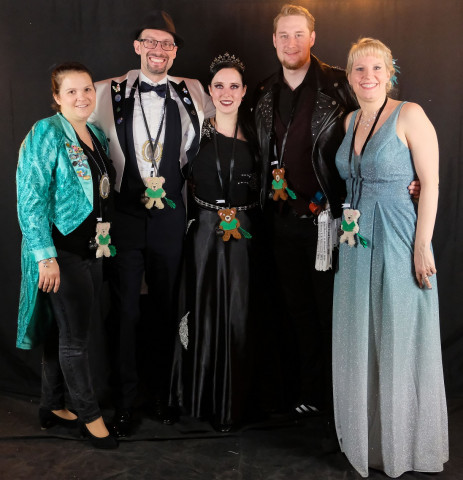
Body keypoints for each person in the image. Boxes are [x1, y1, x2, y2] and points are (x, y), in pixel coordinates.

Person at [90, 10, 214, 437]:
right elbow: (76, 127)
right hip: (123, 216)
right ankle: (125, 403)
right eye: (150, 42)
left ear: (174, 52)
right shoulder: (105, 90)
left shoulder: (193, 90)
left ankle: (163, 394)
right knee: (125, 310)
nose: (158, 50)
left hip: (171, 217)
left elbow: (227, 118)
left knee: (165, 307)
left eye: (166, 44)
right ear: (137, 46)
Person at [332, 37, 448, 477]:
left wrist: (421, 246)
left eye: (376, 68)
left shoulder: (410, 114)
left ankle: (405, 445)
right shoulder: (349, 121)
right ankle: (369, 441)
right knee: (361, 334)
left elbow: (430, 183)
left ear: (389, 73)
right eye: (359, 69)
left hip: (399, 236)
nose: (368, 76)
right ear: (349, 77)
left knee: (399, 334)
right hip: (355, 241)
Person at [253, 4, 358, 417]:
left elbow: (375, 127)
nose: (291, 43)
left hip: (328, 221)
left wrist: (408, 174)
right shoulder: (263, 92)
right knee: (296, 311)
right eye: (284, 35)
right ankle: (312, 393)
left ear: (312, 38)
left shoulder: (340, 85)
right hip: (281, 223)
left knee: (332, 311)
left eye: (299, 34)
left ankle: (340, 400)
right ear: (273, 41)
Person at [16, 62, 118, 449]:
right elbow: (30, 198)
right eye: (71, 91)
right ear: (56, 97)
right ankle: (90, 418)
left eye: (87, 89)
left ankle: (51, 405)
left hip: (93, 249)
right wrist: (45, 257)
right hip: (61, 253)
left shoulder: (95, 133)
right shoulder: (46, 132)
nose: (82, 97)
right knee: (76, 340)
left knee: (62, 331)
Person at [170, 53, 259, 432]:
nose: (226, 93)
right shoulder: (195, 133)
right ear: (209, 91)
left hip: (246, 239)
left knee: (240, 315)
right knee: (203, 314)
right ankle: (201, 399)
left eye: (233, 86)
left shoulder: (257, 135)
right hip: (205, 236)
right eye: (219, 86)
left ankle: (235, 403)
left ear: (244, 91)